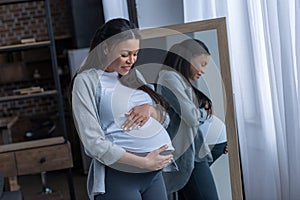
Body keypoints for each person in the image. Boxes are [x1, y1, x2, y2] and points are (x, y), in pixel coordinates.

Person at [69, 18, 175, 200]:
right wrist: (143, 162)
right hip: (120, 177)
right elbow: (93, 143)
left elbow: (165, 119)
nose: (131, 61)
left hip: (153, 175)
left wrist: (149, 109)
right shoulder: (86, 81)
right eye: (125, 54)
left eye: (135, 54)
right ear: (106, 48)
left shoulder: (134, 75)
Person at [157, 39, 227, 200]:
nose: (203, 71)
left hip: (196, 153)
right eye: (202, 64)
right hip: (190, 157)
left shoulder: (179, 79)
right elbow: (191, 117)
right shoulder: (169, 77)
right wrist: (205, 113)